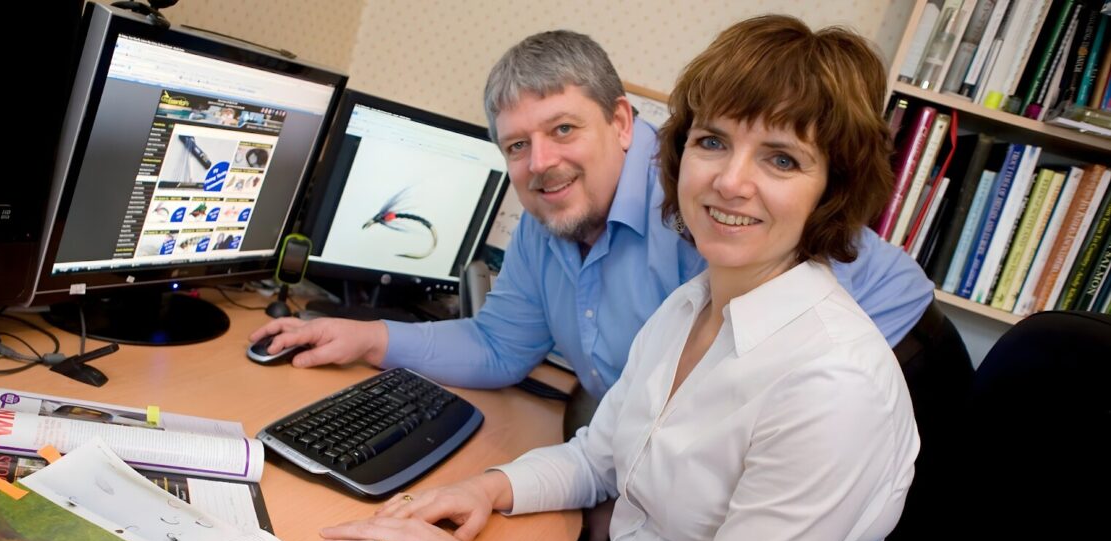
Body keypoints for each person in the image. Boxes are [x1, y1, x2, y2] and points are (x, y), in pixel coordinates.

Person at [317, 15, 919, 541]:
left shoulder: (836, 386)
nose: (731, 182)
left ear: (832, 189)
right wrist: (488, 486)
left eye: (781, 159)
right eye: (712, 142)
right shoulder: (689, 306)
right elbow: (597, 457)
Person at [248, 31, 933, 405]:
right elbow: (500, 347)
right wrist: (367, 338)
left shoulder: (709, 197)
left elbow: (893, 283)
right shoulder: (551, 221)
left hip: (901, 369)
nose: (541, 162)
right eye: (518, 145)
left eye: (564, 129)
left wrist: (800, 397)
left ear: (623, 121)